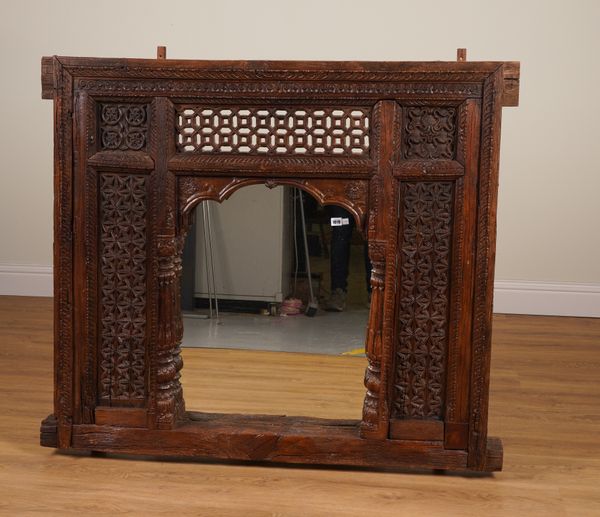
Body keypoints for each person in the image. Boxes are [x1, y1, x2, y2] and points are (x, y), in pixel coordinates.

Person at [324, 206, 371, 312]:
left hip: (371, 195)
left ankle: (375, 292)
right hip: (341, 196)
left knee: (372, 236)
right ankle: (337, 290)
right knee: (339, 235)